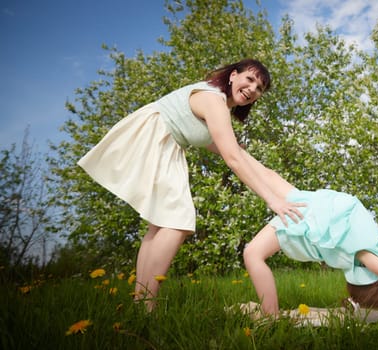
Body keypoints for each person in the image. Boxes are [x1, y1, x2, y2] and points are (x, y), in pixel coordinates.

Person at [78, 59, 304, 311]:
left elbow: (232, 152)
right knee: (176, 222)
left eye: (260, 88)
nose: (253, 89)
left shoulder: (219, 107)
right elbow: (233, 159)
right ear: (232, 76)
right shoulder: (213, 100)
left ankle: (141, 305)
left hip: (166, 143)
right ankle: (147, 307)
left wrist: (281, 186)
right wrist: (272, 200)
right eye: (249, 79)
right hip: (156, 137)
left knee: (160, 225)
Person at [242, 166, 378, 325]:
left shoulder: (366, 258)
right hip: (316, 208)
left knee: (252, 254)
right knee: (267, 175)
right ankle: (229, 148)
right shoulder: (367, 255)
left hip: (308, 217)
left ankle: (271, 317)